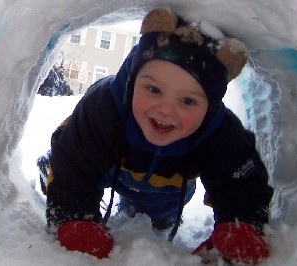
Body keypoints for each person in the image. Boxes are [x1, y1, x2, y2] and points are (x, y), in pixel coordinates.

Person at [37, 7, 274, 264]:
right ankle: (49, 165)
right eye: (153, 89)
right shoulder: (105, 108)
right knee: (68, 164)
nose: (166, 110)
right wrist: (73, 217)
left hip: (168, 184)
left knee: (158, 216)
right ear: (132, 82)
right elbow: (75, 162)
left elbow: (242, 181)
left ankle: (150, 213)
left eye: (187, 100)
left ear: (210, 105)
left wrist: (240, 224)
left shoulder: (219, 131)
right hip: (110, 163)